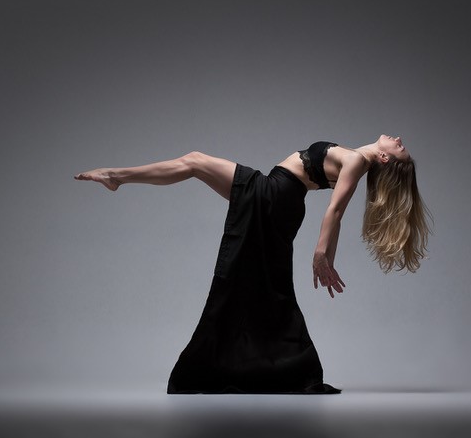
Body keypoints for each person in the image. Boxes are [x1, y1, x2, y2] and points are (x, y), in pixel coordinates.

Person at [74, 135, 432, 394]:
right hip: (277, 195)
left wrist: (321, 254)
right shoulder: (356, 159)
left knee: (195, 161)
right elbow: (336, 212)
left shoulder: (355, 161)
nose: (399, 140)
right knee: (195, 164)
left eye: (400, 148)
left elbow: (335, 211)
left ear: (385, 159)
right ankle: (117, 177)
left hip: (274, 195)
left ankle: (116, 177)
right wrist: (327, 256)